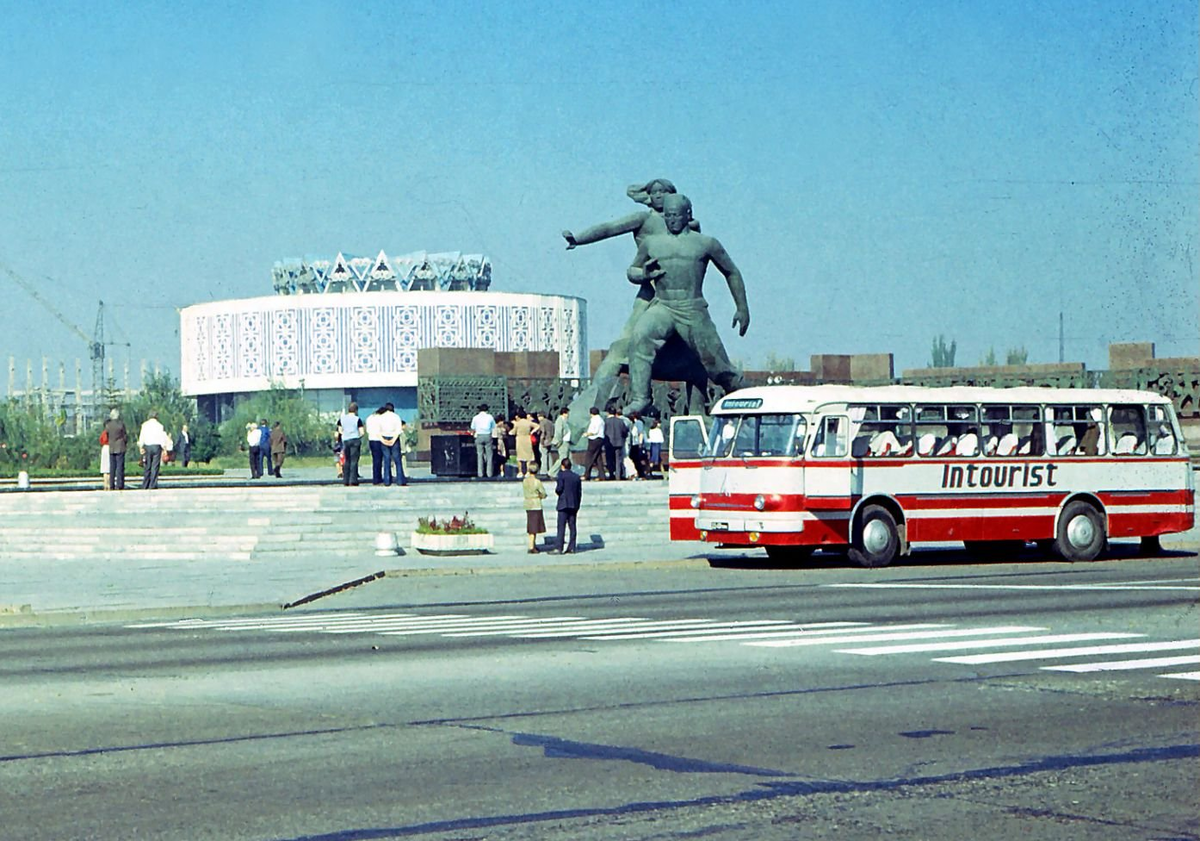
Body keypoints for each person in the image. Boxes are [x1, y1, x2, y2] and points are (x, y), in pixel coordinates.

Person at [623, 194, 749, 415]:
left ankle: (741, 393)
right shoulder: (652, 242)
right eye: (667, 216)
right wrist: (643, 273)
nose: (671, 220)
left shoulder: (705, 243)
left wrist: (742, 308)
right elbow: (632, 271)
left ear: (687, 215)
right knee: (640, 337)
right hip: (663, 305)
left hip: (692, 308)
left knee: (716, 363)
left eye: (675, 216)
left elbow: (731, 272)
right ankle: (641, 397)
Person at [553, 457, 582, 554]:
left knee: (561, 526)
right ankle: (572, 547)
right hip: (573, 504)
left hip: (563, 504)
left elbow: (559, 489)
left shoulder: (561, 475)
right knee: (572, 526)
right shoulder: (576, 477)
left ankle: (559, 547)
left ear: (562, 466)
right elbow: (579, 492)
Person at [137, 410, 170, 489]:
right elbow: (162, 438)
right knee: (155, 466)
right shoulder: (160, 426)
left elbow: (142, 437)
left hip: (147, 446)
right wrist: (164, 448)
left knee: (147, 466)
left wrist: (140, 447)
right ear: (156, 416)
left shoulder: (144, 425)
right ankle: (153, 484)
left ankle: (145, 484)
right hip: (156, 447)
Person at [522, 461, 547, 553]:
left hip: (528, 503)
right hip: (536, 504)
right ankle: (531, 546)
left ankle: (532, 544)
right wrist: (542, 496)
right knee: (534, 527)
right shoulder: (537, 482)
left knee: (531, 525)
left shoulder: (525, 481)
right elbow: (543, 493)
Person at [337, 403, 365, 486]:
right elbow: (362, 432)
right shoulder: (357, 419)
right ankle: (353, 480)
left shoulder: (342, 419)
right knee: (354, 460)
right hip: (355, 440)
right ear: (356, 410)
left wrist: (345, 434)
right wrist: (357, 436)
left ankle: (345, 480)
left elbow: (340, 430)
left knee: (346, 460)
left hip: (345, 440)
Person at [379, 403, 406, 486]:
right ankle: (400, 480)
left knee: (386, 459)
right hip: (394, 438)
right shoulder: (396, 417)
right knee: (397, 460)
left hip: (384, 437)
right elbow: (398, 430)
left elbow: (377, 430)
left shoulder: (381, 417)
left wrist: (383, 440)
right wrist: (393, 440)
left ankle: (387, 481)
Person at [103, 408, 128, 490]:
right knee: (120, 467)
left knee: (112, 467)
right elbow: (125, 435)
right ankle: (120, 484)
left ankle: (111, 484)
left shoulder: (108, 425)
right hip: (120, 447)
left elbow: (106, 435)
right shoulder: (121, 424)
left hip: (112, 447)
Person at [471, 404, 496, 478]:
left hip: (479, 435)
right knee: (489, 455)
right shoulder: (490, 417)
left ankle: (480, 473)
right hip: (488, 435)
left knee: (480, 455)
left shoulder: (475, 417)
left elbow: (473, 427)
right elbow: (493, 426)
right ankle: (489, 473)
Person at [603, 406, 628, 481]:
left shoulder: (605, 421)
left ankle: (611, 474)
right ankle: (618, 475)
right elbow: (625, 431)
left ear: (608, 412)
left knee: (609, 459)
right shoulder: (620, 421)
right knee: (618, 460)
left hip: (609, 443)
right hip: (619, 442)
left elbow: (603, 431)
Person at [582, 406, 606, 480]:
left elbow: (594, 431)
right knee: (598, 458)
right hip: (600, 439)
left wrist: (587, 434)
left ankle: (586, 475)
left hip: (594, 439)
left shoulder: (595, 420)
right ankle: (602, 475)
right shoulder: (601, 420)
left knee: (589, 457)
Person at [511, 409, 536, 477]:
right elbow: (537, 426)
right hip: (527, 439)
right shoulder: (528, 422)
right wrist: (532, 432)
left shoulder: (517, 423)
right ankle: (528, 472)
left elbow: (512, 432)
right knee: (528, 457)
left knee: (520, 457)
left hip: (520, 439)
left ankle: (520, 472)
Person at [365, 405, 387, 485]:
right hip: (379, 439)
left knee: (375, 460)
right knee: (381, 460)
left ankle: (375, 477)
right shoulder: (381, 419)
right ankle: (379, 478)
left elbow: (367, 429)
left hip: (371, 439)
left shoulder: (369, 418)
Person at [549, 407, 571, 478]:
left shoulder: (564, 420)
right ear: (564, 413)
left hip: (566, 442)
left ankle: (564, 472)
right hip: (563, 442)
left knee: (567, 457)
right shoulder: (560, 420)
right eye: (567, 413)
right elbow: (558, 432)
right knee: (563, 458)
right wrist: (559, 441)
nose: (568, 415)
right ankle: (552, 472)